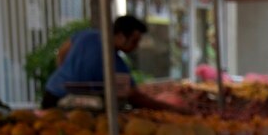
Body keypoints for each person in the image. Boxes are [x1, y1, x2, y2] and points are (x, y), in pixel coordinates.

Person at [42, 15, 175, 110]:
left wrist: (67, 73)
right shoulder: (115, 64)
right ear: (121, 36)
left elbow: (61, 53)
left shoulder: (86, 35)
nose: (136, 46)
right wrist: (172, 109)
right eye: (134, 41)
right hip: (68, 105)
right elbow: (135, 97)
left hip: (52, 93)